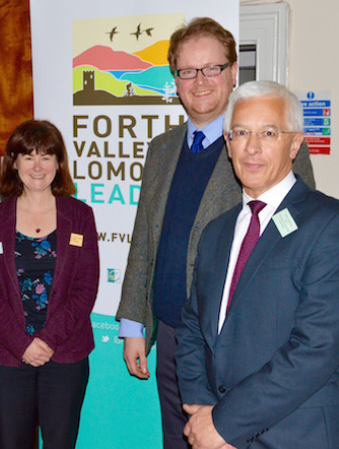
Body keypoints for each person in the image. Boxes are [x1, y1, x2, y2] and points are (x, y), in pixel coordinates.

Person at [115, 17, 316, 449]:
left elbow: (297, 243)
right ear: (175, 80)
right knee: (181, 438)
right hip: (173, 337)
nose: (200, 81)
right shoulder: (161, 149)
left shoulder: (264, 145)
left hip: (243, 344)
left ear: (232, 71)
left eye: (211, 68)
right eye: (187, 70)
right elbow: (145, 237)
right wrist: (134, 321)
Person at [176, 80, 339, 448]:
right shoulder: (216, 232)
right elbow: (191, 328)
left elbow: (318, 347)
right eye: (241, 133)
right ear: (228, 143)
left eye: (268, 132)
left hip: (294, 434)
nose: (252, 147)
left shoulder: (328, 224)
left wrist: (223, 423)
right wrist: (202, 408)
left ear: (295, 142)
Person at [0, 120, 100, 448]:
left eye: (46, 156)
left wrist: (46, 340)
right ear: (13, 163)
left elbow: (85, 288)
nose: (37, 165)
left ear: (59, 163)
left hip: (65, 355)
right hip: (8, 356)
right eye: (27, 156)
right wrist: (22, 344)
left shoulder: (80, 216)